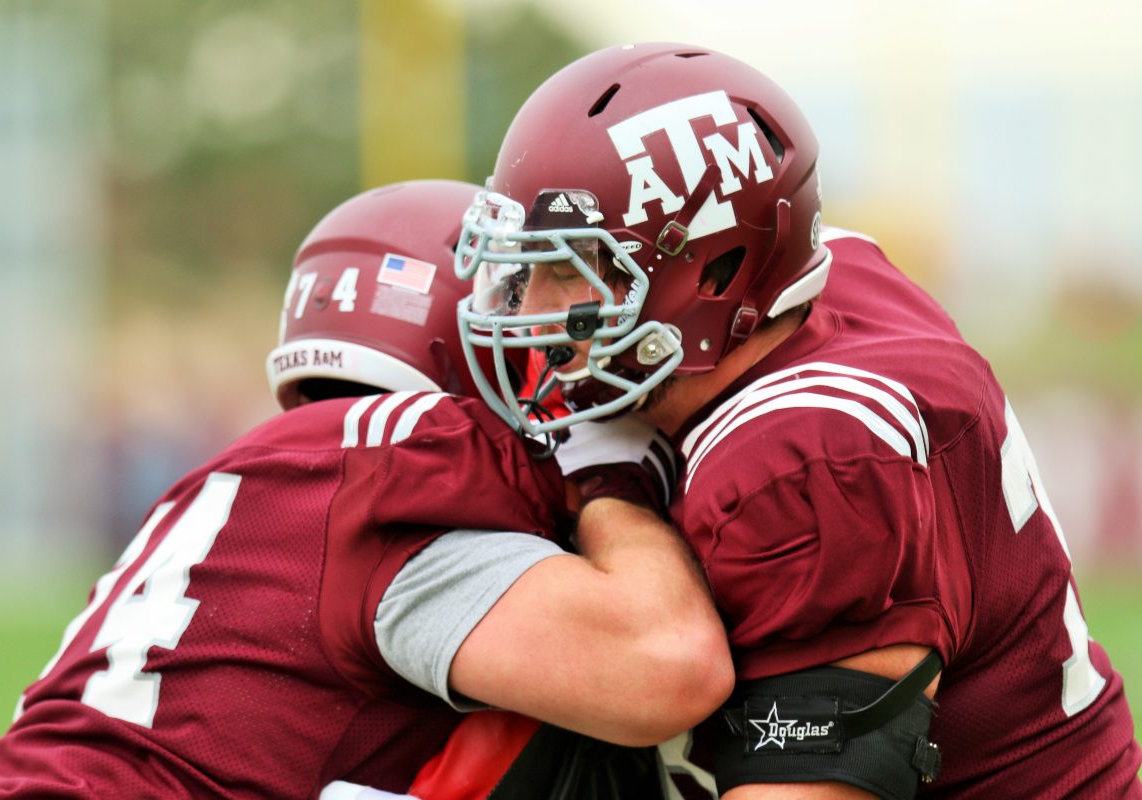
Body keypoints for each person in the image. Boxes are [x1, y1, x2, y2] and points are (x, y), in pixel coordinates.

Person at [454, 42, 1142, 799]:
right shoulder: (824, 280)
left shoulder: (810, 460)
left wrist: (609, 479)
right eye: (526, 265)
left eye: (570, 269)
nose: (528, 312)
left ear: (708, 274)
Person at [0, 179, 733, 799]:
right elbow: (667, 665)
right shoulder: (399, 474)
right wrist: (612, 472)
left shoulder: (242, 481)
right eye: (522, 302)